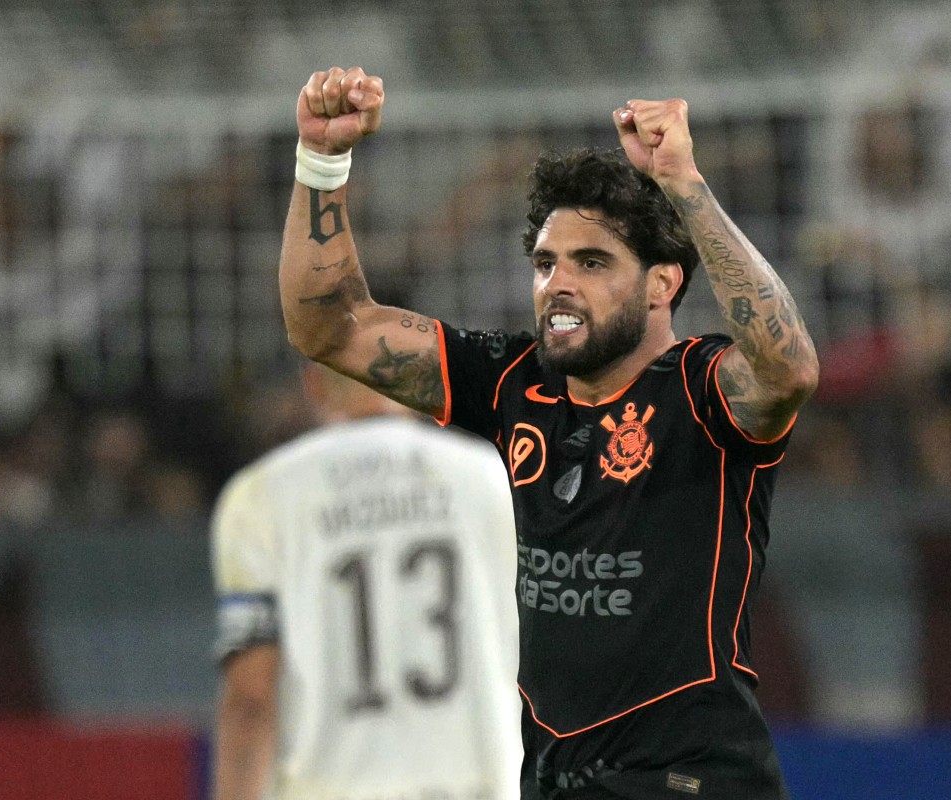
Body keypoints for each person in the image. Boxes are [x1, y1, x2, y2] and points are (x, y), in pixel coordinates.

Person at [279, 67, 819, 800]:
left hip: (691, 777)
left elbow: (788, 369)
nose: (557, 283)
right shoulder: (511, 382)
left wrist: (684, 184)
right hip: (554, 778)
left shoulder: (703, 390)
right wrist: (322, 160)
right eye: (545, 263)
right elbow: (329, 326)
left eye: (591, 263)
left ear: (662, 284)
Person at [211, 361, 522, 800]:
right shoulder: (496, 479)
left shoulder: (261, 495)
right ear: (424, 384)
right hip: (478, 784)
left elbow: (251, 696)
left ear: (313, 384)